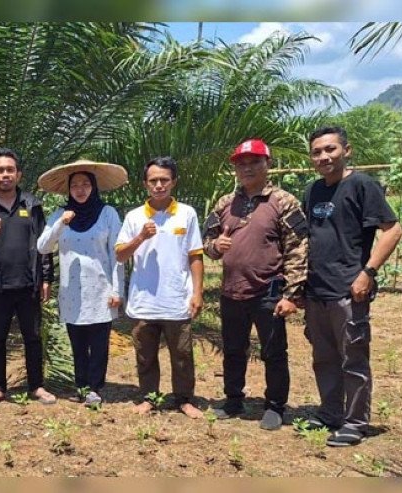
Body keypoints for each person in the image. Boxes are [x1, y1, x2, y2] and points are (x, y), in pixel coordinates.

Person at [303, 126, 402, 447]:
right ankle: (330, 412)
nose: (323, 157)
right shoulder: (313, 190)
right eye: (317, 152)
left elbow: (393, 230)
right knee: (324, 357)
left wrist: (367, 273)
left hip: (349, 290)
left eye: (330, 149)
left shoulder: (362, 185)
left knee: (353, 358)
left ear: (347, 150)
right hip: (317, 290)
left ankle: (355, 422)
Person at [203, 139, 307, 430]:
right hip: (232, 291)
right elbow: (207, 241)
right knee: (233, 349)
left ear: (267, 164)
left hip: (268, 292)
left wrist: (291, 294)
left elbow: (299, 247)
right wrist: (216, 247)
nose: (247, 168)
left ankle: (274, 406)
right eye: (241, 164)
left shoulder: (283, 202)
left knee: (273, 352)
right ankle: (233, 400)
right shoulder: (225, 203)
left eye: (254, 162)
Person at [0, 148, 56, 408]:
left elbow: (45, 245)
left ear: (18, 174)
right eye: (0, 170)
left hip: (28, 285)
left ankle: (36, 386)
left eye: (10, 170)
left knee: (33, 337)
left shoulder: (32, 205)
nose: (5, 174)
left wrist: (46, 278)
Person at [116, 157, 205, 419]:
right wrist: (141, 237)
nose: (158, 185)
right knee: (145, 355)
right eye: (153, 180)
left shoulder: (187, 214)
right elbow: (120, 255)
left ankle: (184, 399)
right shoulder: (134, 217)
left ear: (174, 182)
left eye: (164, 180)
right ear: (145, 184)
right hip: (143, 301)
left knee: (182, 354)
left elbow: (195, 255)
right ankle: (149, 397)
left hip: (177, 299)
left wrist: (197, 292)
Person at [36, 160, 127, 407]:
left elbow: (117, 255)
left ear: (93, 186)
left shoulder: (107, 213)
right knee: (77, 343)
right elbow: (43, 247)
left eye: (86, 184)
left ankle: (95, 388)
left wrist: (117, 290)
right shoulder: (60, 215)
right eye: (75, 185)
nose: (80, 189)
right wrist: (60, 224)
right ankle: (81, 386)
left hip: (101, 289)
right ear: (68, 189)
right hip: (72, 292)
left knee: (99, 344)